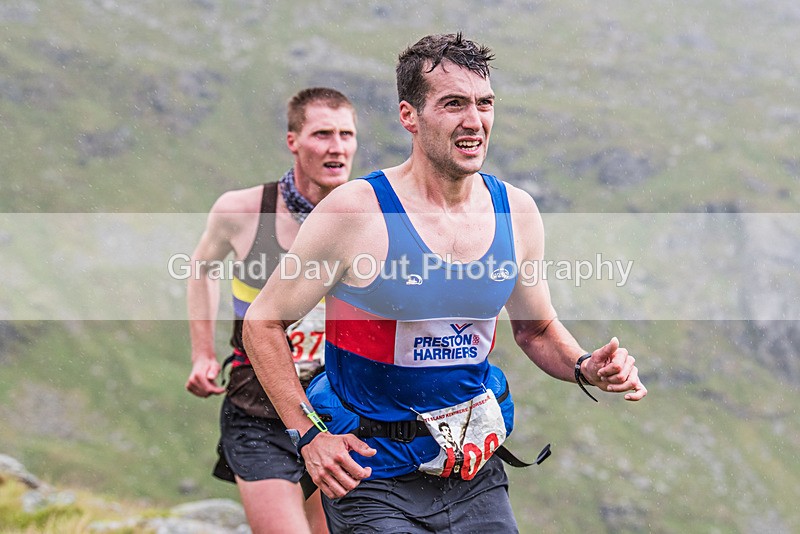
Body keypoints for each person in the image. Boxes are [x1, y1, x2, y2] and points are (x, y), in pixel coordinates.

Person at [242, 33, 647, 533]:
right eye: (453, 104)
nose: (473, 121)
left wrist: (587, 366)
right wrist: (308, 435)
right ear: (409, 115)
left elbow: (536, 330)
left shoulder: (516, 212)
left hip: (472, 466)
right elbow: (262, 322)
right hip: (370, 472)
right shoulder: (357, 211)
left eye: (484, 104)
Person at [185, 87, 358, 534]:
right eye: (322, 134)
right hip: (257, 409)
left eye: (346, 134)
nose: (337, 147)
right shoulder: (242, 211)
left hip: (336, 412)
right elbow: (201, 268)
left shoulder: (370, 217)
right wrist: (203, 352)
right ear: (293, 141)